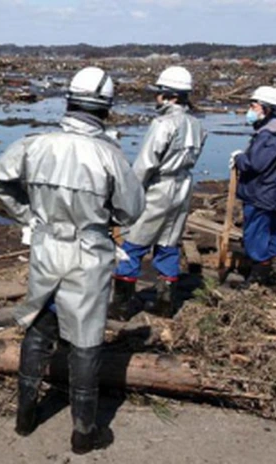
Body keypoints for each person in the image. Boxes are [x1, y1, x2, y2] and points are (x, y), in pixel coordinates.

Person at [0, 66, 145, 454]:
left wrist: (28, 214)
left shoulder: (35, 144)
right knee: (86, 340)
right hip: (89, 253)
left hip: (46, 248)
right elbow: (132, 210)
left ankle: (25, 418)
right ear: (105, 108)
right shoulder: (109, 155)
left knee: (40, 324)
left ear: (69, 101)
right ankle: (84, 432)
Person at [111, 66, 206, 318]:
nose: (156, 97)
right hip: (183, 186)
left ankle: (121, 307)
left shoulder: (163, 124)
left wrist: (128, 194)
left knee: (133, 243)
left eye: (159, 92)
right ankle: (166, 304)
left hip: (159, 188)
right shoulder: (196, 124)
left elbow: (145, 164)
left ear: (169, 95)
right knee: (168, 243)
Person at [229, 86, 276, 287]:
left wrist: (239, 158)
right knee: (269, 231)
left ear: (265, 108)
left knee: (255, 234)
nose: (250, 110)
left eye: (253, 106)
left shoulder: (269, 135)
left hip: (261, 191)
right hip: (271, 189)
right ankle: (274, 266)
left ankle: (259, 277)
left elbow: (255, 164)